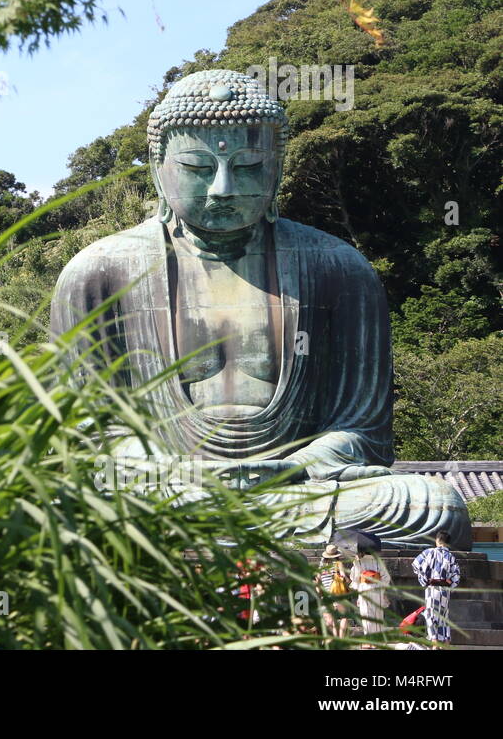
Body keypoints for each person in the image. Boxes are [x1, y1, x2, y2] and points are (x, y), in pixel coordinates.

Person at [50, 69, 470, 548]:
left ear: (278, 167)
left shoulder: (338, 268)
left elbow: (363, 433)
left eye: (249, 167)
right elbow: (88, 434)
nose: (223, 188)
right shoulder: (101, 272)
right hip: (165, 488)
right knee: (64, 505)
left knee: (431, 506)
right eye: (198, 167)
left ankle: (214, 532)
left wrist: (291, 468)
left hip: (296, 490)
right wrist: (167, 471)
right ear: (157, 165)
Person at [412, 531, 461, 648]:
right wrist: (449, 586)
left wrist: (424, 580)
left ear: (437, 540)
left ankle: (434, 642)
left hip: (432, 588)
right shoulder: (451, 556)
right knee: (444, 617)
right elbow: (456, 576)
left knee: (431, 615)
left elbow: (415, 565)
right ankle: (446, 642)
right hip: (445, 589)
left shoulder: (429, 552)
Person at [350, 549, 391, 644]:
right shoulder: (378, 561)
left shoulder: (358, 562)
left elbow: (354, 578)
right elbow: (386, 578)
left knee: (366, 615)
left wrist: (358, 587)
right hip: (377, 588)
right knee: (378, 615)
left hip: (364, 589)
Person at [314, 544, 350, 638]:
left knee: (332, 618)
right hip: (338, 593)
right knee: (344, 617)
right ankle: (341, 638)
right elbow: (343, 577)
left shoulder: (322, 565)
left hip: (326, 595)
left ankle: (334, 638)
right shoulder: (338, 563)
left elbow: (318, 580)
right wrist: (348, 580)